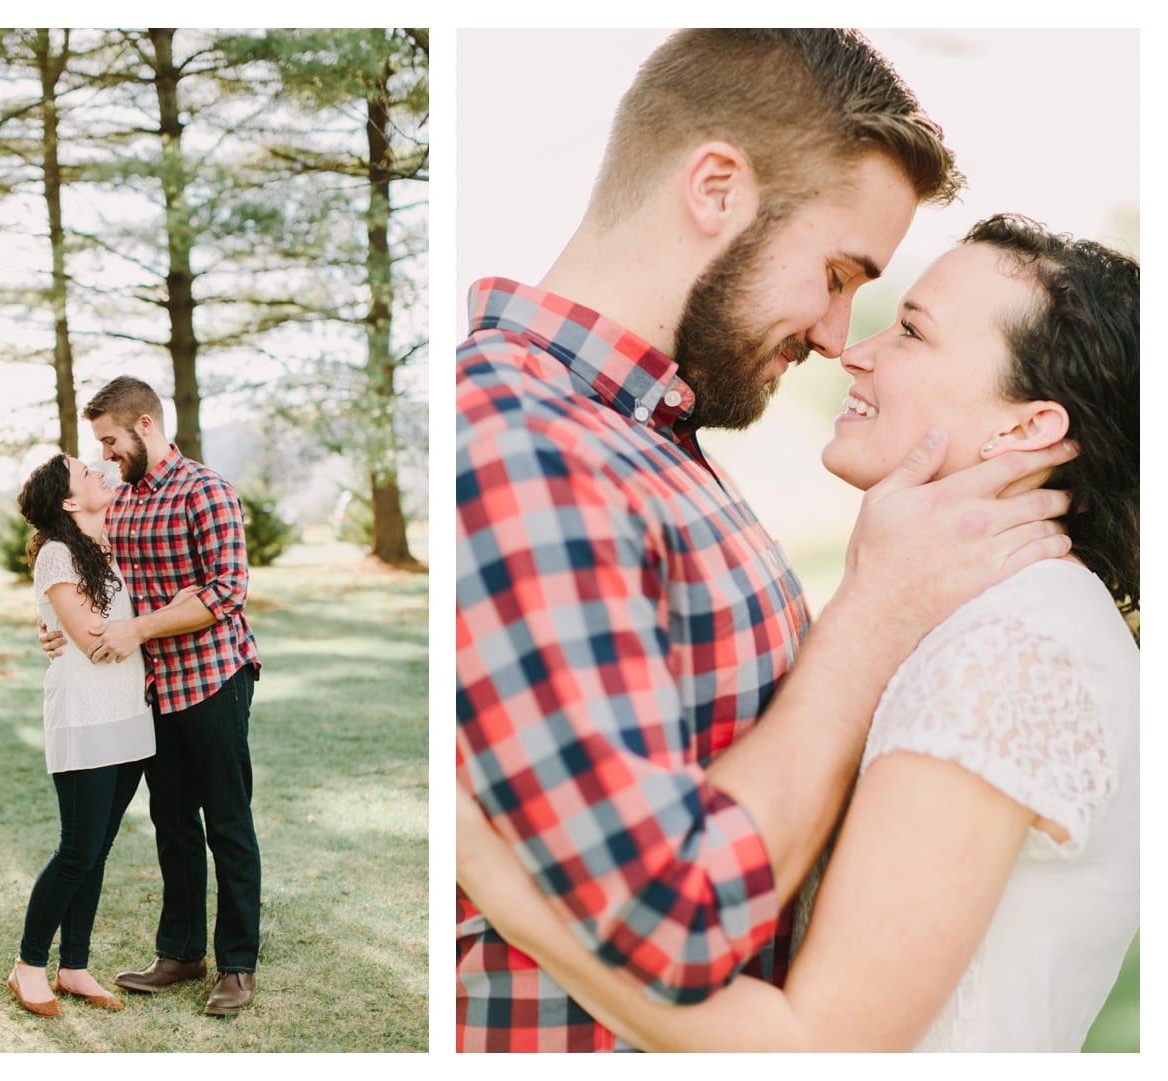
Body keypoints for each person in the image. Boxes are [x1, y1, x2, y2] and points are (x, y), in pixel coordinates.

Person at [455, 29, 1078, 1052]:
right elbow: (677, 920)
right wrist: (873, 614)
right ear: (714, 188)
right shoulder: (523, 447)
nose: (839, 335)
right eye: (837, 273)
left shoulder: (646, 438)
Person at [40, 376, 263, 1016]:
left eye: (110, 440)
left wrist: (138, 627)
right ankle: (181, 951)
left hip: (214, 677)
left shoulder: (207, 490)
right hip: (151, 690)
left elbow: (225, 592)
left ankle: (237, 965)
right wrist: (58, 626)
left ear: (144, 424)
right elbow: (93, 580)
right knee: (171, 823)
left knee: (227, 822)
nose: (105, 454)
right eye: (99, 446)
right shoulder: (123, 502)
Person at [8, 453, 158, 1017]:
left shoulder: (108, 545)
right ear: (70, 502)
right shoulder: (57, 553)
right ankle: (27, 965)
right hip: (84, 716)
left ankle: (74, 967)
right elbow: (93, 642)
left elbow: (99, 630)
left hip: (128, 714)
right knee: (76, 848)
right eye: (83, 470)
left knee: (98, 849)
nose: (98, 469)